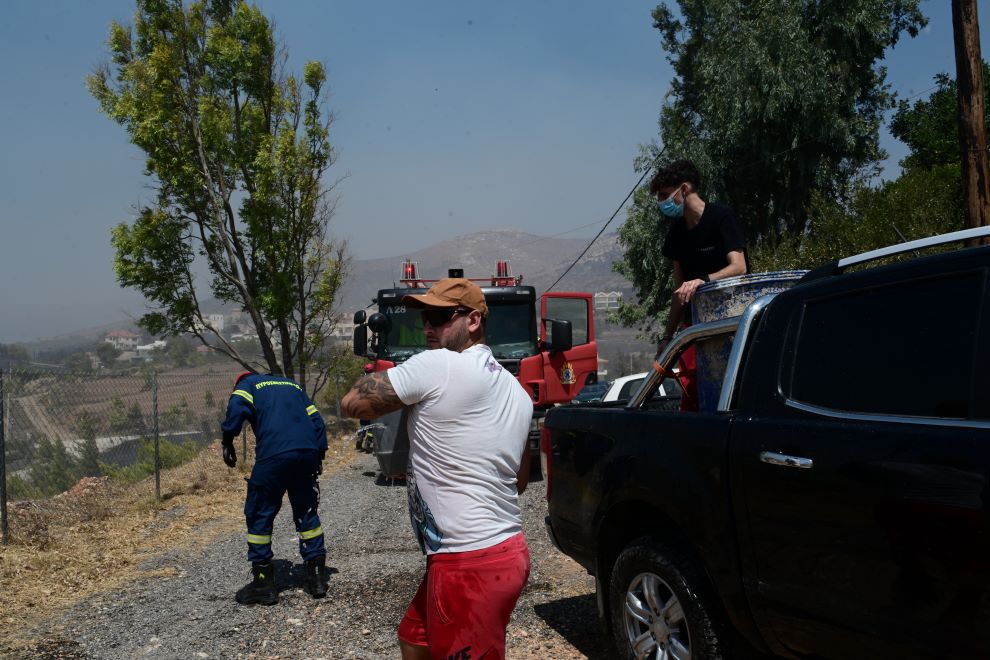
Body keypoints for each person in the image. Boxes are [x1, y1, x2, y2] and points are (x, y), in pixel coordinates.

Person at [341, 278, 534, 660]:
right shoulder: (517, 391)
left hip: (469, 563)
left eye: (440, 316)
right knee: (415, 638)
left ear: (474, 321)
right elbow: (520, 481)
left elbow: (352, 404)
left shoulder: (440, 365)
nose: (427, 327)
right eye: (424, 318)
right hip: (504, 551)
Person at [220, 370, 330, 605]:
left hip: (274, 454)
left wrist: (228, 438)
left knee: (259, 511)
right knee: (306, 510)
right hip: (307, 452)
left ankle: (263, 584)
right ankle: (317, 578)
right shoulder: (292, 384)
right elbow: (316, 420)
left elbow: (237, 407)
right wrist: (318, 453)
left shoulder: (248, 384)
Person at [651, 159, 748, 410]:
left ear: (684, 189)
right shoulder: (676, 235)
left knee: (733, 390)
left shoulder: (722, 217)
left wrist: (702, 282)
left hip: (731, 322)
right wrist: (668, 337)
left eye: (664, 195)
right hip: (695, 327)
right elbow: (679, 291)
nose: (661, 202)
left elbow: (739, 267)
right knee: (694, 395)